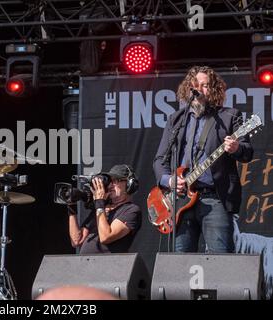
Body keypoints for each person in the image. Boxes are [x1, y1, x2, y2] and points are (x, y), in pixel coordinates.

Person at [153, 66, 253, 253]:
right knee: (180, 262)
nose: (199, 89)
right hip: (180, 201)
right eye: (195, 85)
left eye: (205, 85)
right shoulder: (176, 119)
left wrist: (236, 148)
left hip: (215, 198)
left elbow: (247, 152)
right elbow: (160, 159)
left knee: (219, 259)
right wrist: (170, 180)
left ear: (213, 89)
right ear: (188, 89)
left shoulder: (230, 116)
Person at [68, 164, 141, 253]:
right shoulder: (102, 207)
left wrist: (99, 203)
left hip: (107, 265)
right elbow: (76, 240)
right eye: (110, 181)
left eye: (116, 181)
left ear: (130, 184)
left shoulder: (131, 210)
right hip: (85, 264)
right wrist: (71, 206)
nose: (110, 185)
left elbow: (105, 237)